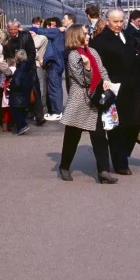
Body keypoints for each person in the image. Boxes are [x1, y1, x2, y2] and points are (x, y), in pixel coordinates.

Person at [58, 25, 117, 184]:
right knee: (72, 137)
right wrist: (87, 67)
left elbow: (102, 70)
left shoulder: (93, 51)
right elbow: (83, 80)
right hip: (80, 100)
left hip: (96, 99)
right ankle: (64, 166)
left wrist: (106, 81)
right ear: (76, 36)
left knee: (99, 137)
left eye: (88, 33)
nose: (88, 36)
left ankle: (103, 171)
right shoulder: (73, 55)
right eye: (85, 34)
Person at [91, 9, 140, 176]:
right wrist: (103, 85)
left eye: (121, 21)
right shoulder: (99, 41)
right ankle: (120, 162)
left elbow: (136, 65)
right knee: (117, 127)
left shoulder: (128, 37)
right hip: (114, 89)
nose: (119, 24)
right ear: (107, 21)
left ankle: (123, 153)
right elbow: (98, 67)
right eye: (115, 21)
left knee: (135, 123)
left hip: (132, 87)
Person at [5, 19, 45, 126]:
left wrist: (25, 65)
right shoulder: (7, 38)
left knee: (35, 91)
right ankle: (18, 118)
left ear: (18, 28)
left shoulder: (26, 36)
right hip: (14, 68)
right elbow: (6, 53)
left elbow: (32, 53)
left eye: (14, 29)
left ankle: (39, 116)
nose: (12, 31)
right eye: (10, 29)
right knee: (17, 92)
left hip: (28, 67)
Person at [35, 17, 66, 121]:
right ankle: (55, 110)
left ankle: (57, 111)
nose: (50, 28)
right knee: (54, 87)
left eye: (52, 25)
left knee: (54, 88)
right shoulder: (55, 33)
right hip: (55, 63)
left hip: (55, 63)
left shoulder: (56, 33)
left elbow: (37, 30)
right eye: (48, 25)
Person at [8, 50, 35, 135]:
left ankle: (22, 125)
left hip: (17, 94)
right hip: (25, 92)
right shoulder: (29, 66)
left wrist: (10, 86)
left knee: (15, 110)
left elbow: (17, 82)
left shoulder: (20, 68)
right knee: (22, 110)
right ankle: (21, 127)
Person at [29, 17, 50, 117]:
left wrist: (35, 55)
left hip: (38, 65)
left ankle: (42, 109)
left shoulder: (42, 38)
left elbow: (40, 53)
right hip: (30, 65)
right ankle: (33, 110)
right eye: (34, 23)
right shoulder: (27, 37)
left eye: (38, 24)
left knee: (41, 87)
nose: (35, 26)